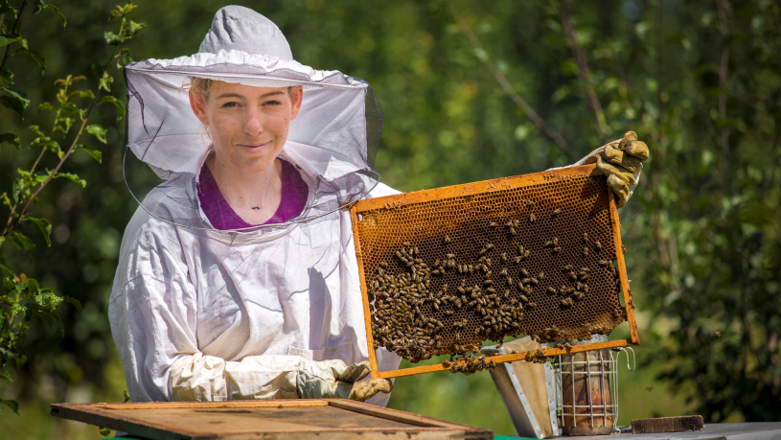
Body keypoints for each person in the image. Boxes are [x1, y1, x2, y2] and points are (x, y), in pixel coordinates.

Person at [109, 6, 649, 406]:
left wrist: (576, 192)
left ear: (295, 103)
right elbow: (159, 379)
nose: (254, 126)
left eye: (270, 102)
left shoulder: (352, 204)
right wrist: (292, 376)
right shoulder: (163, 231)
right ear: (198, 104)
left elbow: (482, 245)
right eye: (232, 103)